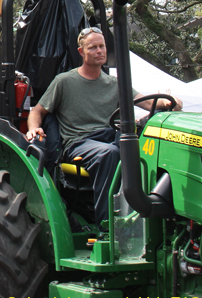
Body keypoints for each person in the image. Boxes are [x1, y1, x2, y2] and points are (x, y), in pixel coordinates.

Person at [25, 26, 182, 228]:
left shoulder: (115, 84)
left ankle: (156, 216)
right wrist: (33, 129)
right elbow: (37, 112)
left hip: (109, 136)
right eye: (93, 48)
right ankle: (107, 228)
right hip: (79, 143)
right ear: (81, 52)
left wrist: (171, 102)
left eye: (102, 46)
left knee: (140, 143)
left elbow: (146, 102)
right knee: (110, 153)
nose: (99, 51)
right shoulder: (65, 81)